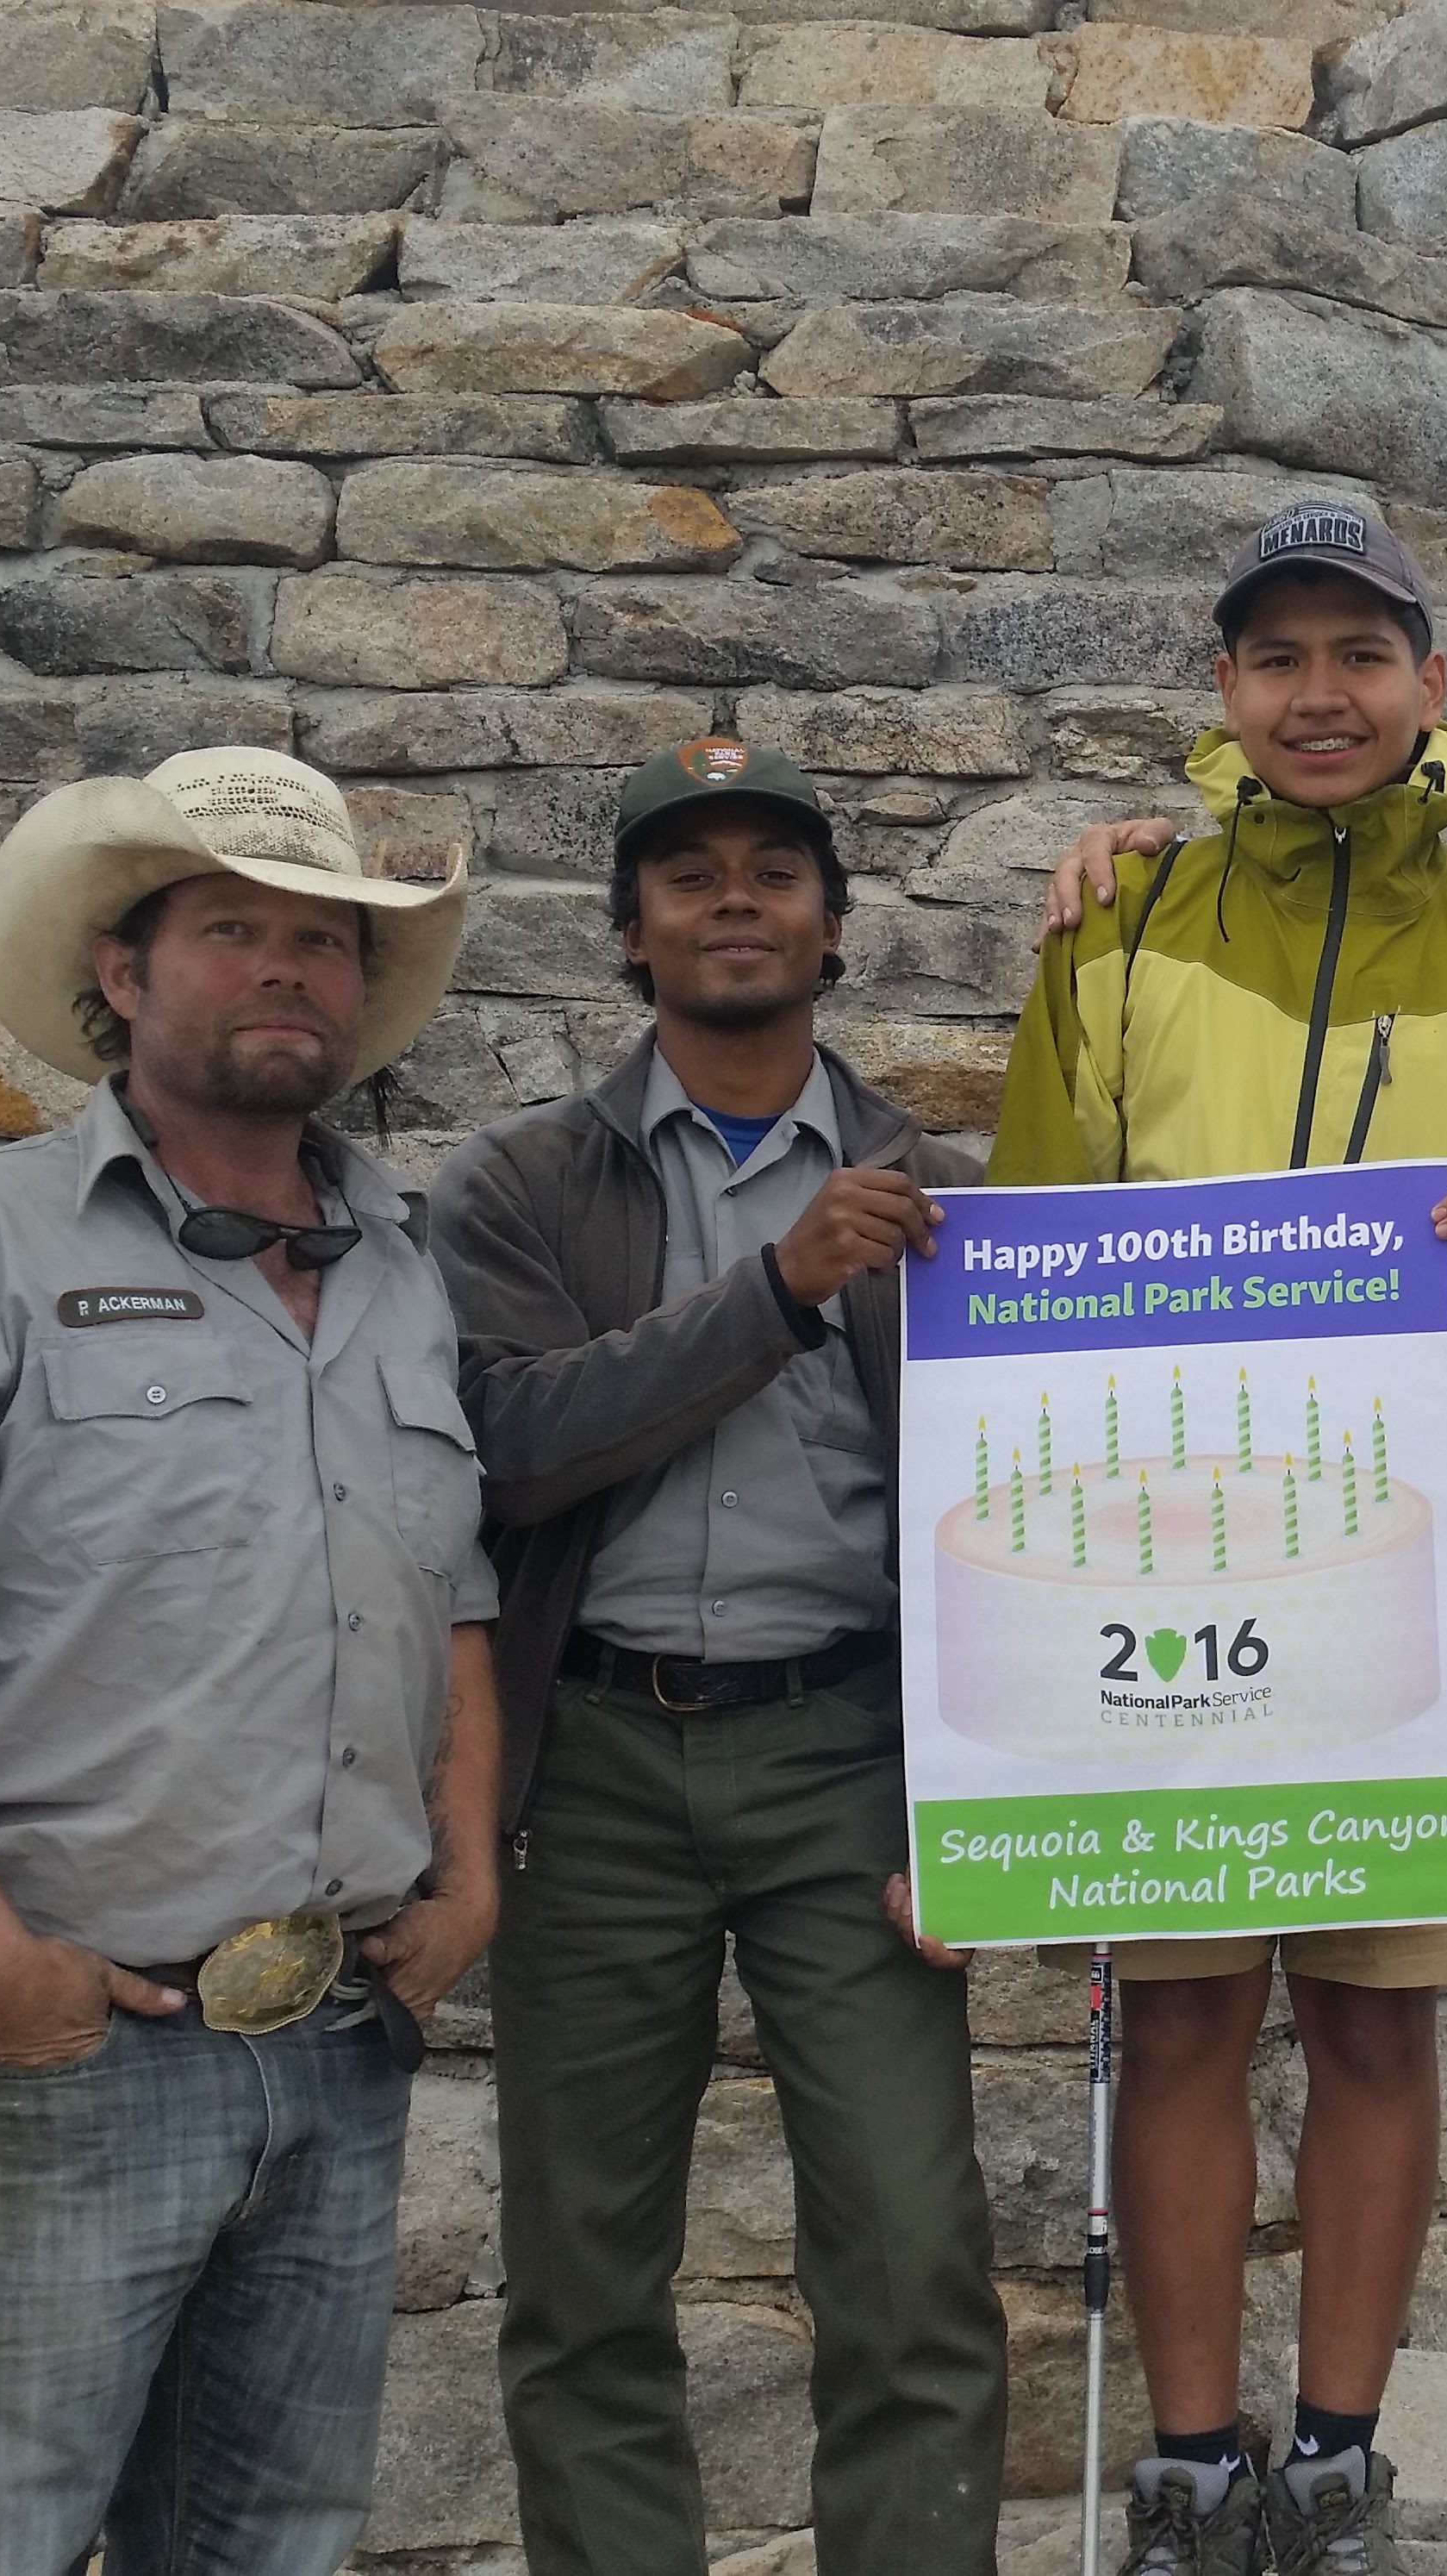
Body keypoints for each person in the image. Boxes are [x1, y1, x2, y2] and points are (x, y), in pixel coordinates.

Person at [0, 747, 496, 2576]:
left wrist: (472, 1876)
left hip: (337, 2038)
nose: (286, 966)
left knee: (271, 2546)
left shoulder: (404, 1268)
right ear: (121, 974)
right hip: (65, 2051)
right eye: (231, 928)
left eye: (325, 938)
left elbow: (452, 1598)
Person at [994, 497, 1447, 2576]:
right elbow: (1029, 1249)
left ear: (1431, 684)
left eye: (1360, 653)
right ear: (1226, 689)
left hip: (1394, 1565)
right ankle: (1192, 2462)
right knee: (1180, 2016)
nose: (1320, 694)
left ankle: (1338, 2457)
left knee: (1372, 2017)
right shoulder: (1117, 921)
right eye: (1278, 656)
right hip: (1154, 1554)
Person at [430, 740, 1006, 2576]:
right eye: (689, 876)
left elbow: (1021, 1509)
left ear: (835, 926)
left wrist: (982, 1799)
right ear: (630, 933)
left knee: (912, 2263)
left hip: (847, 1757)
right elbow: (513, 1449)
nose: (734, 900)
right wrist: (776, 1291)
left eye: (775, 871)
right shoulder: (521, 1183)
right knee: (583, 2276)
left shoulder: (949, 1193)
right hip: (594, 1769)